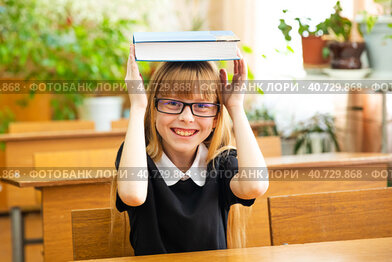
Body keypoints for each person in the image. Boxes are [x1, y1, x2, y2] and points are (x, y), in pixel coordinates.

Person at [111, 44, 269, 256]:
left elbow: (255, 186)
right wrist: (139, 107)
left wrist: (235, 107)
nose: (187, 118)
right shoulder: (138, 155)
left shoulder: (220, 163)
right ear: (154, 110)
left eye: (202, 106)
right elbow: (133, 195)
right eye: (172, 103)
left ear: (215, 119)